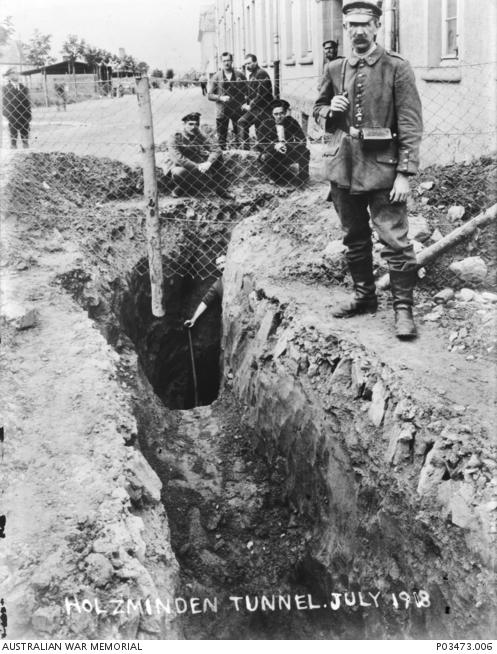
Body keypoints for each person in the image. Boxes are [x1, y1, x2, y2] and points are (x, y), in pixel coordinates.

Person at [313, 0, 422, 340]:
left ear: (377, 26)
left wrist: (405, 172)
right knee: (354, 238)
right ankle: (364, 298)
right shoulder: (334, 68)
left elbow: (410, 123)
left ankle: (403, 310)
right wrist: (330, 110)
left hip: (384, 170)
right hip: (342, 167)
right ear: (345, 30)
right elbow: (316, 111)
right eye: (351, 25)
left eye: (364, 24)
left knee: (395, 240)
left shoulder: (396, 67)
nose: (358, 31)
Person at [166, 112, 234, 199]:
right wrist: (198, 166)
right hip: (184, 166)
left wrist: (208, 163)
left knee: (218, 157)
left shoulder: (198, 133)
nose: (193, 127)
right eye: (190, 124)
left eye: (196, 124)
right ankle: (182, 187)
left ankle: (221, 190)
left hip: (199, 165)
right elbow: (178, 159)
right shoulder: (175, 137)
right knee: (178, 172)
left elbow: (216, 149)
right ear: (184, 124)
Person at [258, 99, 310, 186]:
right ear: (272, 114)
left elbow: (302, 140)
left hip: (288, 151)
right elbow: (261, 143)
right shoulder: (265, 124)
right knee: (266, 157)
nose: (279, 116)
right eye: (276, 114)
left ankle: (303, 180)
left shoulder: (291, 122)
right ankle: (274, 179)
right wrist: (275, 146)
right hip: (272, 152)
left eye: (281, 113)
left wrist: (287, 145)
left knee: (305, 151)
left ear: (285, 113)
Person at [208, 52, 247, 150]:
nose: (226, 63)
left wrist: (245, 101)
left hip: (237, 109)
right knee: (221, 137)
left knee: (240, 134)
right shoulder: (216, 77)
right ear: (221, 62)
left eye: (228, 60)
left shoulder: (240, 75)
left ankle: (240, 153)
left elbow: (248, 91)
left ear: (232, 61)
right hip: (222, 111)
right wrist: (221, 98)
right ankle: (222, 155)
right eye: (224, 61)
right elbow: (209, 95)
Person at [237, 53, 273, 150]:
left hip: (263, 109)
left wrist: (250, 106)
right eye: (246, 64)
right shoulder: (253, 74)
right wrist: (247, 102)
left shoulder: (261, 73)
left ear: (256, 62)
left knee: (242, 122)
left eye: (249, 63)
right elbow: (252, 93)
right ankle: (257, 151)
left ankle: (245, 151)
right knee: (260, 133)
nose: (247, 66)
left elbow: (262, 94)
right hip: (257, 109)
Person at [184, 255, 226, 328]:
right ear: (217, 268)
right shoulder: (217, 285)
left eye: (223, 262)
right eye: (218, 264)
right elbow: (205, 302)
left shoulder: (240, 275)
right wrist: (193, 319)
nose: (221, 265)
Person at [2, 68, 32, 149]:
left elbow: (27, 102)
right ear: (8, 76)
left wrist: (29, 114)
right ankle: (13, 145)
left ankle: (25, 144)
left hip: (24, 114)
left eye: (16, 73)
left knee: (25, 130)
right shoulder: (5, 89)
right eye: (12, 73)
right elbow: (3, 102)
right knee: (13, 131)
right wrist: (7, 114)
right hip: (12, 114)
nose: (15, 75)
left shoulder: (23, 88)